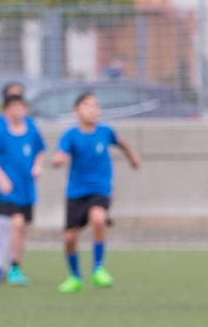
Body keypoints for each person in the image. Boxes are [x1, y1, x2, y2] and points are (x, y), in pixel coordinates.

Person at [50, 91, 141, 294]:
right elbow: (60, 153)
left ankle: (98, 268)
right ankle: (75, 277)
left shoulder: (106, 131)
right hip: (76, 192)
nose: (92, 109)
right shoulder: (70, 135)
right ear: (76, 111)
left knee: (98, 219)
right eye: (87, 105)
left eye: (95, 106)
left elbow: (121, 142)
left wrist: (132, 156)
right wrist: (58, 160)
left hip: (100, 188)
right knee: (69, 238)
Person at [0, 83, 47, 286]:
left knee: (20, 226)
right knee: (8, 222)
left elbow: (39, 150)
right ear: (5, 107)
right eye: (12, 104)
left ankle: (14, 266)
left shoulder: (31, 127)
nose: (17, 109)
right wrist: (0, 179)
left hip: (25, 187)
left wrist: (37, 166)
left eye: (20, 103)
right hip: (4, 187)